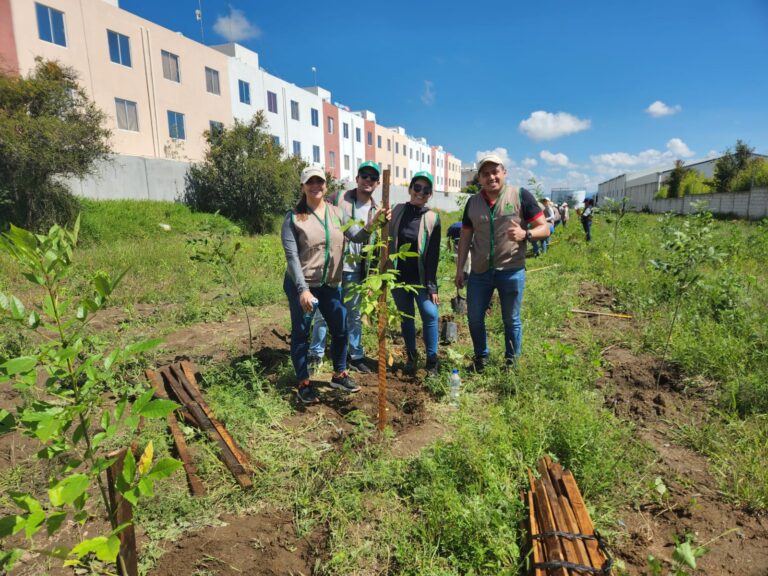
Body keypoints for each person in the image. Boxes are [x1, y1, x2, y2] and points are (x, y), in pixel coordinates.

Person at [281, 165, 388, 404]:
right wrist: (303, 290)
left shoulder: (337, 213)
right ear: (303, 187)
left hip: (330, 284)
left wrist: (374, 223)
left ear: (326, 186)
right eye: (310, 182)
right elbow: (292, 258)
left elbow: (357, 237)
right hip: (304, 285)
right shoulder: (293, 218)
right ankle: (304, 383)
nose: (315, 186)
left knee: (340, 328)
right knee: (301, 332)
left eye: (319, 181)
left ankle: (339, 374)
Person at [455, 154, 550, 371]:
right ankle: (481, 359)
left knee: (511, 320)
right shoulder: (473, 202)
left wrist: (526, 234)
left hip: (511, 270)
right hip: (480, 272)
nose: (491, 177)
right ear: (479, 178)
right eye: (485, 173)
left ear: (504, 172)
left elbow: (544, 228)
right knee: (475, 318)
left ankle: (511, 364)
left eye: (495, 171)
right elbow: (465, 238)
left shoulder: (520, 196)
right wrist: (460, 268)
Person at [309, 161, 381, 374]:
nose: (367, 180)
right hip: (332, 267)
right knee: (323, 313)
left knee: (354, 314)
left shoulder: (377, 209)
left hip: (358, 269)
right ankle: (316, 353)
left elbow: (378, 247)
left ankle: (355, 355)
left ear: (377, 183)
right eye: (364, 175)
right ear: (357, 178)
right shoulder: (339, 198)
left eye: (372, 177)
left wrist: (373, 276)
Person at [390, 171, 441, 375]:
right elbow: (385, 240)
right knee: (406, 317)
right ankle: (411, 356)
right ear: (410, 189)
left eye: (426, 190)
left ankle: (432, 360)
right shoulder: (397, 210)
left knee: (430, 313)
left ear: (430, 194)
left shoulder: (432, 218)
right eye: (417, 187)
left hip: (420, 279)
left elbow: (433, 255)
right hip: (398, 277)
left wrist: (432, 285)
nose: (421, 192)